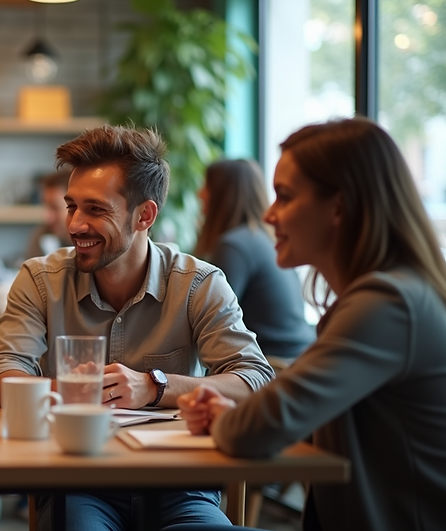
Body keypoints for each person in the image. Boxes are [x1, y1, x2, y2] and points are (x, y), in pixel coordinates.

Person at [0, 124, 274, 531]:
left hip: (180, 484)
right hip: (76, 483)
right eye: (71, 206)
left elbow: (256, 378)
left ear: (145, 215)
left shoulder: (198, 284)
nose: (75, 225)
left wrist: (154, 386)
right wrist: (75, 390)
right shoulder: (41, 279)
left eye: (96, 209)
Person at [177, 118, 446, 531]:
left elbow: (258, 431)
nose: (269, 214)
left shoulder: (388, 304)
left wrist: (231, 421)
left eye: (284, 197)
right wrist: (233, 414)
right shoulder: (385, 297)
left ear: (339, 206)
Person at [194, 159, 314, 359]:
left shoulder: (233, 246)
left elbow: (206, 320)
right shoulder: (264, 239)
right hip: (298, 357)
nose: (201, 193)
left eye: (206, 185)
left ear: (223, 194)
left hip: (273, 365)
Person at [23, 169, 72, 259]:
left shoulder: (91, 243)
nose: (47, 217)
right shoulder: (42, 236)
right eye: (46, 206)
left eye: (55, 208)